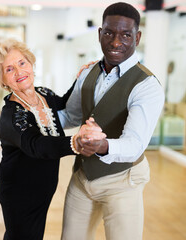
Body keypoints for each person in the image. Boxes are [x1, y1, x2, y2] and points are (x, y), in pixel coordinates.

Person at [59, 2, 165, 240]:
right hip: (84, 176)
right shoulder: (88, 72)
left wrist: (101, 146)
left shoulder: (147, 86)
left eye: (126, 35)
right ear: (100, 34)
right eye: (109, 33)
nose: (116, 42)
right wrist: (32, 116)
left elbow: (134, 144)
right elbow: (71, 116)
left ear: (137, 37)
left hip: (123, 180)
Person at [0, 38, 104, 240]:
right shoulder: (12, 115)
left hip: (43, 187)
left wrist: (82, 78)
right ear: (3, 80)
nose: (19, 72)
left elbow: (67, 102)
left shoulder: (43, 94)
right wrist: (75, 142)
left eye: (22, 63)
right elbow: (37, 145)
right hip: (19, 192)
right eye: (9, 69)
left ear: (31, 63)